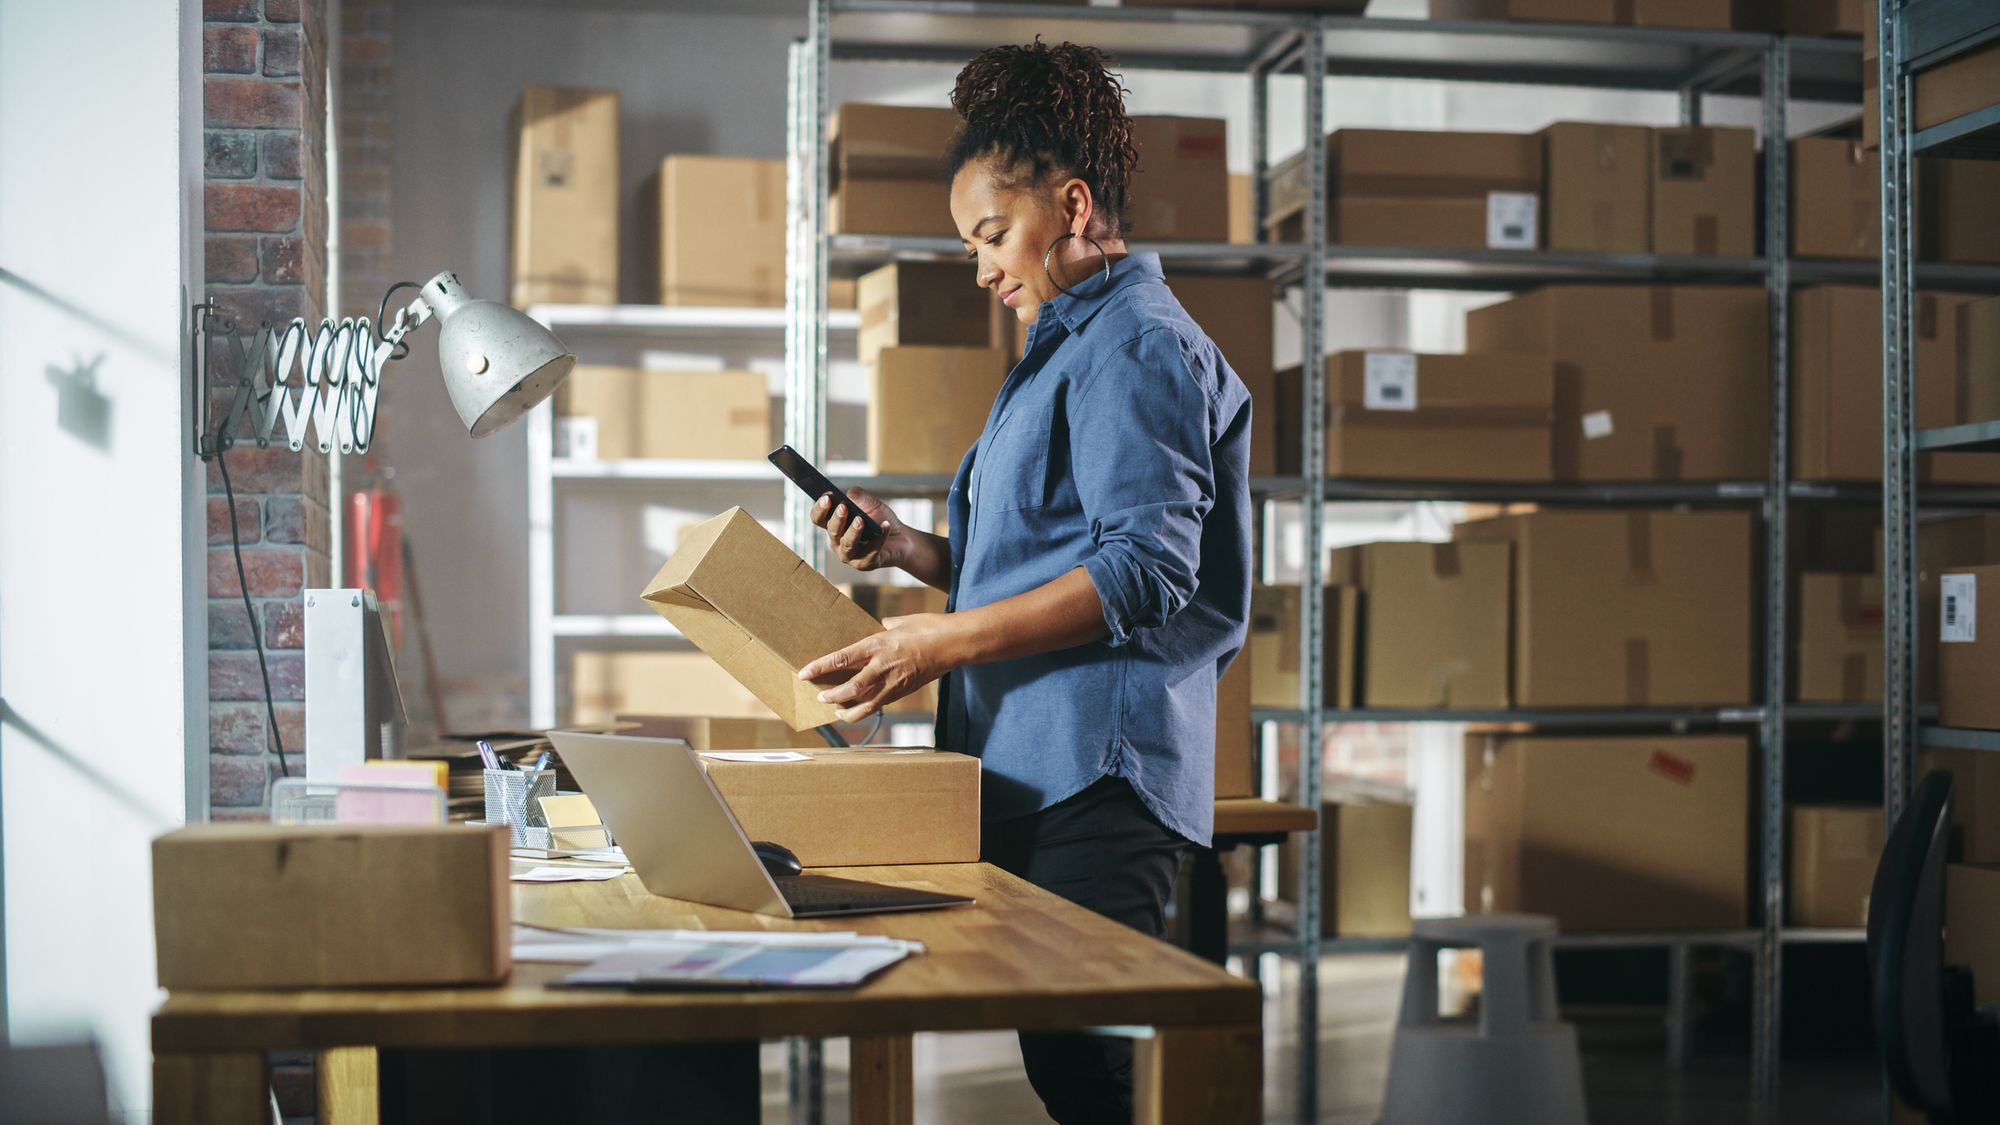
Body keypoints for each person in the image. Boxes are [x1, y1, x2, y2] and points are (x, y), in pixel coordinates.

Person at [796, 39, 1252, 1124]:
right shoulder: (1057, 351)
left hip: (1100, 770)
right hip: (1032, 762)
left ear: (1074, 207)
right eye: (969, 244)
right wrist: (913, 553)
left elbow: (1144, 571)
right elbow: (1043, 559)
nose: (981, 266)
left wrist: (928, 644)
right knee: (1070, 1068)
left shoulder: (1133, 346)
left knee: (1095, 1074)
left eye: (991, 235)